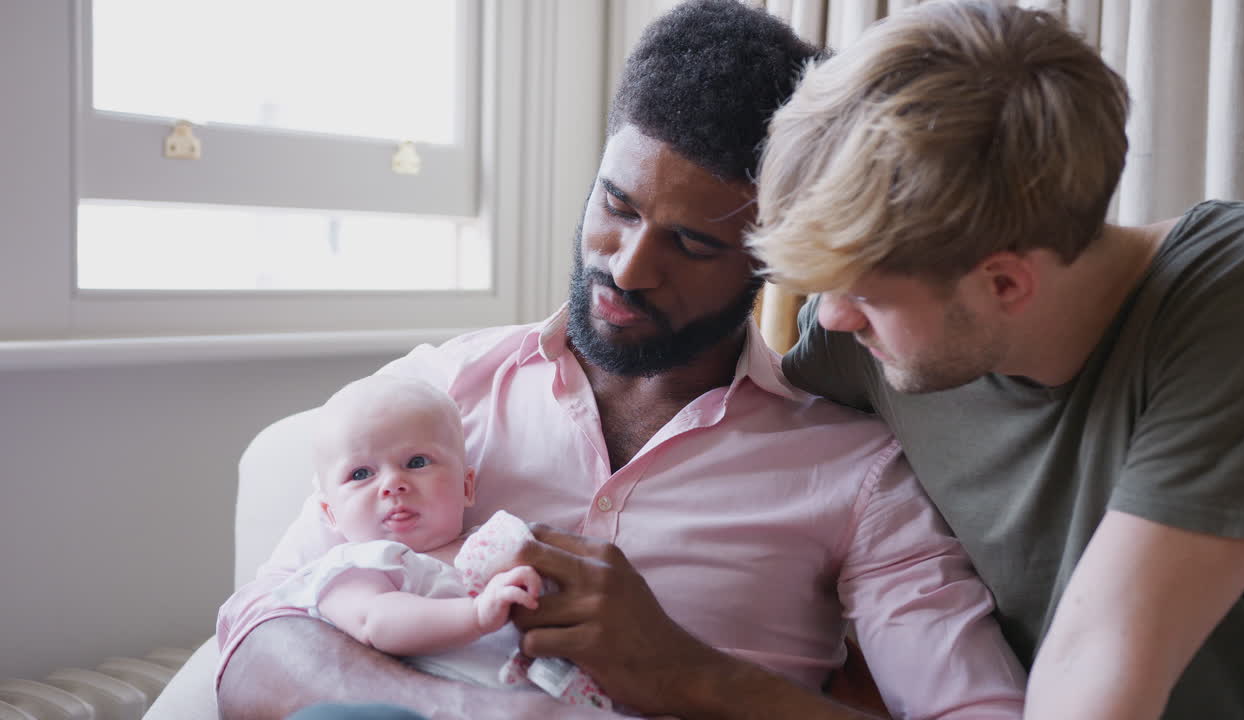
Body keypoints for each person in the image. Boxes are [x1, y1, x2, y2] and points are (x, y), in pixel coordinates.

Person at [216, 2, 1027, 718]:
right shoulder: (434, 396)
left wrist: (692, 674)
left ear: (769, 258)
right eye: (617, 205)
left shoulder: (855, 474)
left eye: (692, 243)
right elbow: (256, 639)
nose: (630, 268)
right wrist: (469, 713)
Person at [747, 2, 1244, 719]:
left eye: (864, 294)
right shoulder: (863, 337)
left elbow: (1100, 657)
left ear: (1003, 284)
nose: (831, 317)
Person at [270, 374, 610, 710]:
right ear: (330, 513)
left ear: (466, 487)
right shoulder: (355, 564)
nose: (393, 484)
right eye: (361, 474)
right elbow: (375, 621)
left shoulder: (497, 543)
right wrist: (476, 615)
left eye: (416, 462)